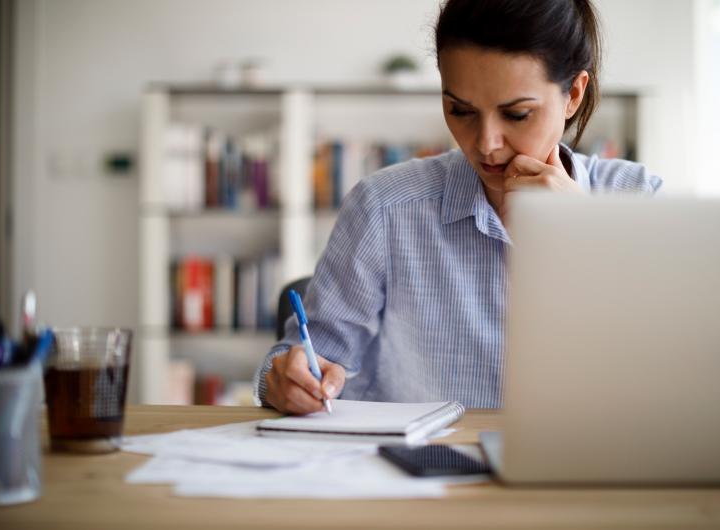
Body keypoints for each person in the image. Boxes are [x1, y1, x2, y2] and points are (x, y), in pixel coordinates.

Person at [254, 0, 662, 414]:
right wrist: (285, 379)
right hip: (413, 469)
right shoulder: (384, 207)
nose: (486, 144)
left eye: (517, 114)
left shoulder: (638, 201)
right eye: (460, 110)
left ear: (573, 94)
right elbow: (303, 358)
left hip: (584, 468)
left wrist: (587, 237)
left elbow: (668, 377)